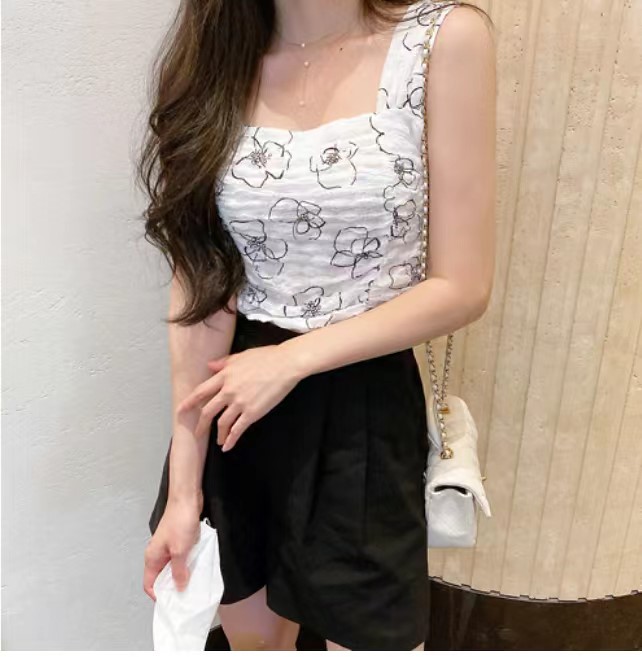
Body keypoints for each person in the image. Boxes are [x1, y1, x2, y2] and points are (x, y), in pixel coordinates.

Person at [139, 0, 496, 650]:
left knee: (374, 634)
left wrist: (292, 360)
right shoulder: (214, 60)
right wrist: (185, 488)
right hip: (233, 404)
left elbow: (462, 285)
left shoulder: (440, 41)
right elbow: (201, 284)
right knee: (255, 643)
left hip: (362, 401)